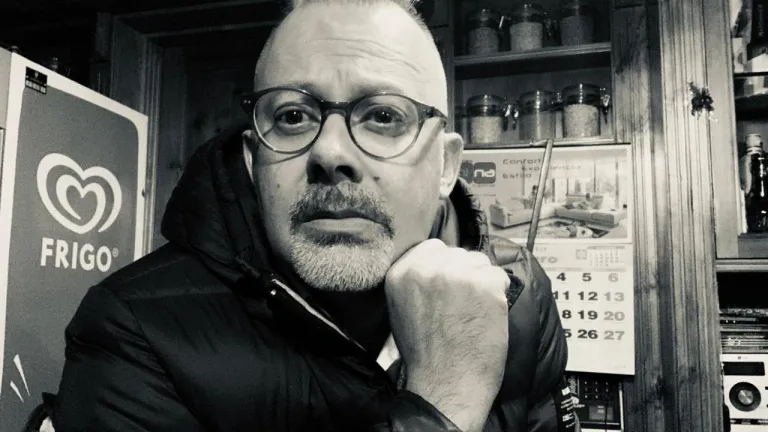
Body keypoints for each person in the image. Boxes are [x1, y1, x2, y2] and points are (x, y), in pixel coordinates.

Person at [41, 0, 576, 430]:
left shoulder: (520, 292)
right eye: (294, 116)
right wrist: (441, 405)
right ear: (253, 161)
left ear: (446, 166)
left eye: (383, 115)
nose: (331, 152)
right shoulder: (132, 328)